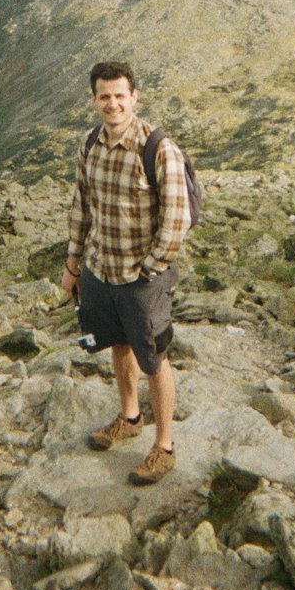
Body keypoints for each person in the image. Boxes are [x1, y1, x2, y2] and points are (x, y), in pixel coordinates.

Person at [60, 59, 192, 485]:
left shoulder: (158, 148)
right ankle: (130, 417)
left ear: (134, 96)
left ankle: (164, 446)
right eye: (104, 96)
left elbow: (176, 220)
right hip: (101, 268)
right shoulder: (90, 144)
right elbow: (82, 206)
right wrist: (74, 264)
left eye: (120, 95)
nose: (112, 103)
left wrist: (149, 270)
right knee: (118, 344)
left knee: (154, 358)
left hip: (141, 277)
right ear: (94, 99)